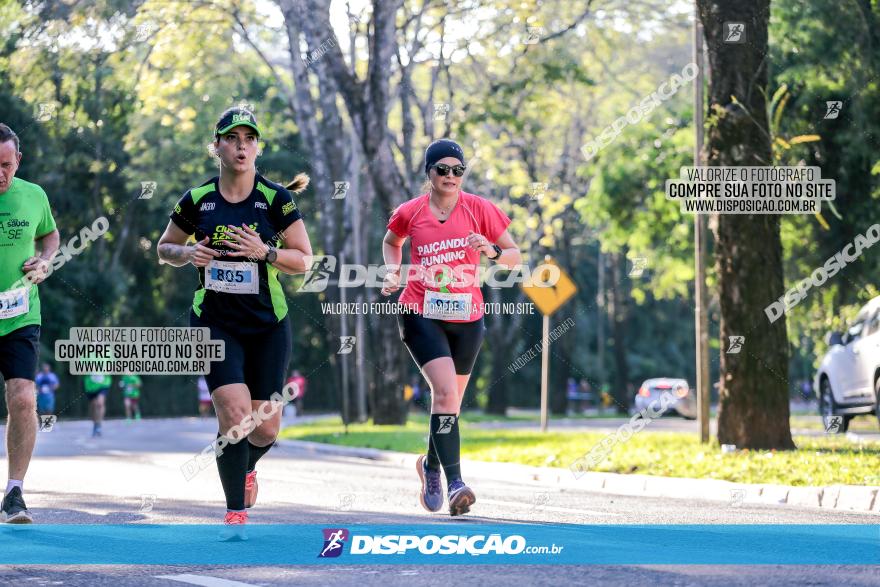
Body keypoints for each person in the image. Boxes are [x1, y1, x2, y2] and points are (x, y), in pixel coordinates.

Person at [157, 107, 312, 533]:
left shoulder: (276, 199)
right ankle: (234, 517)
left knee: (264, 426)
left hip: (267, 323)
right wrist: (188, 253)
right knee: (233, 412)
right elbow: (164, 248)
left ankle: (246, 467)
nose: (241, 146)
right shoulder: (197, 199)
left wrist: (266, 253)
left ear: (257, 147)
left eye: (249, 138)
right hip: (214, 322)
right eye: (232, 138)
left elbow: (303, 259)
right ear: (218, 146)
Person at [381, 138, 521, 516]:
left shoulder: (480, 209)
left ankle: (429, 466)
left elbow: (514, 256)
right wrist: (394, 270)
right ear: (429, 173)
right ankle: (456, 482)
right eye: (442, 169)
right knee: (443, 393)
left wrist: (490, 250)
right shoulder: (411, 212)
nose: (451, 176)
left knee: (449, 404)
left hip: (467, 318)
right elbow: (392, 240)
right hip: (419, 312)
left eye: (458, 170)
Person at [0, 124, 60, 524]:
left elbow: (51, 236)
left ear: (18, 160)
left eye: (6, 165)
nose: (0, 174)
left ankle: (14, 492)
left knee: (23, 398)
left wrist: (45, 261)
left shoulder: (34, 195)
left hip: (20, 314)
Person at [84, 372, 111, 437]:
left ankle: (99, 424)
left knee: (100, 403)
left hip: (104, 384)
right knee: (93, 406)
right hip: (90, 385)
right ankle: (95, 424)